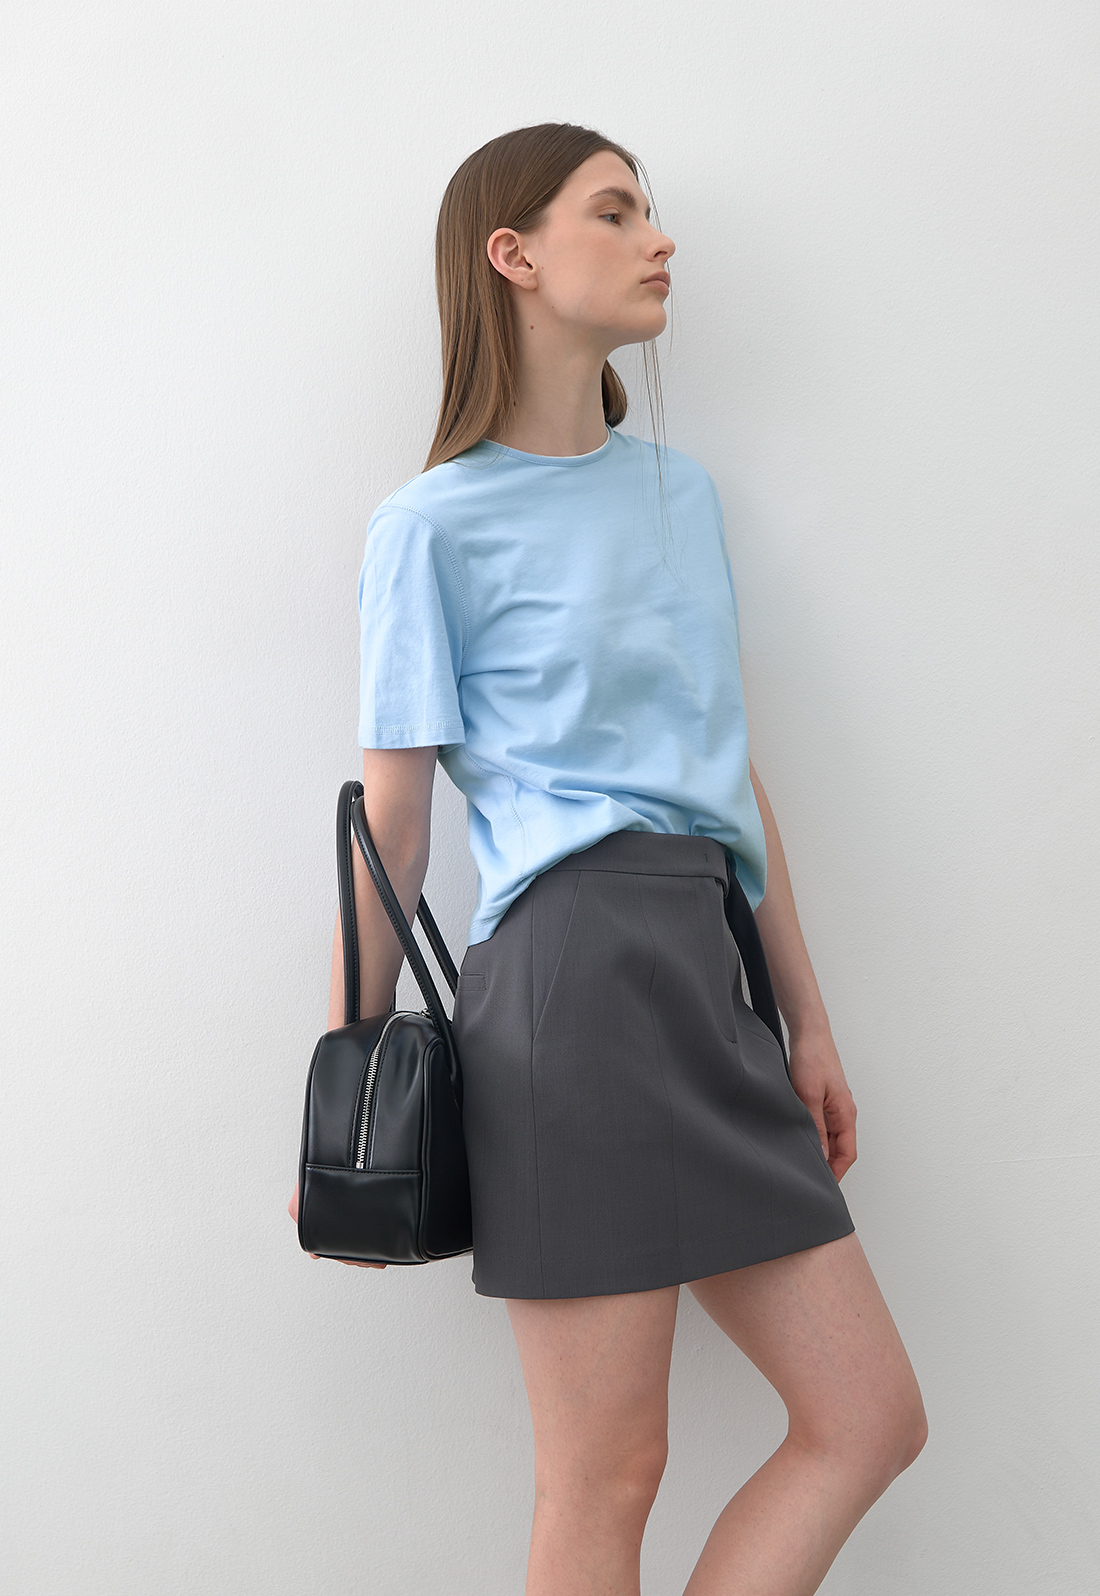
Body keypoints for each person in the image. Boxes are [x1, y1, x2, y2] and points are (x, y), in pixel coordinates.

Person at [289, 121, 926, 1596]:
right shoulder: (429, 526)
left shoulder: (677, 495)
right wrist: (348, 1088)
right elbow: (394, 827)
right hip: (568, 982)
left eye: (651, 210)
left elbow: (728, 773)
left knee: (868, 1419)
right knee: (606, 1475)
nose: (659, 239)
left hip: (706, 971)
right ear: (513, 255)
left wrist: (806, 1022)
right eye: (617, 210)